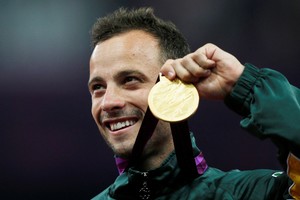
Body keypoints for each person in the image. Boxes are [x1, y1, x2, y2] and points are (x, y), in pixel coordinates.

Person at [88, 7, 300, 199]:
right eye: (98, 87)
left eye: (129, 80)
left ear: (173, 87)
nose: (108, 102)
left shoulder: (253, 194)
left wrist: (246, 85)